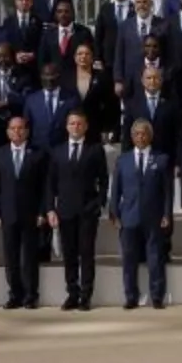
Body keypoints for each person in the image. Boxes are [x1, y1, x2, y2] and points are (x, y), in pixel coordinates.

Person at [48, 109, 108, 311]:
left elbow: (104, 180)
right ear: (66, 126)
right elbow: (50, 183)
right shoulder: (57, 151)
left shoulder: (95, 149)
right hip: (65, 210)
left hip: (87, 211)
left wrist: (99, 203)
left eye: (79, 123)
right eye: (72, 123)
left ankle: (86, 295)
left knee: (87, 253)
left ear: (86, 126)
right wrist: (50, 209)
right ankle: (72, 293)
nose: (76, 127)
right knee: (70, 254)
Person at [110, 119, 174, 310]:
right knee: (129, 259)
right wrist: (114, 213)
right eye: (137, 134)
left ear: (150, 136)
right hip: (128, 217)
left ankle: (157, 296)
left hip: (153, 217)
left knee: (155, 259)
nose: (141, 137)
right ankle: (131, 296)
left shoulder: (161, 159)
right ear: (132, 137)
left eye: (144, 133)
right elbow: (116, 190)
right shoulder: (123, 160)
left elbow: (167, 191)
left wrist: (167, 214)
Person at [0, 114, 46, 310]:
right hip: (8, 213)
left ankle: (31, 295)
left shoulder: (38, 154)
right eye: (13, 128)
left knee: (29, 257)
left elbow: (44, 187)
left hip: (31, 213)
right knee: (11, 256)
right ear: (7, 132)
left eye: (20, 128)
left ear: (27, 131)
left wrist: (42, 212)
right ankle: (15, 294)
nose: (17, 131)